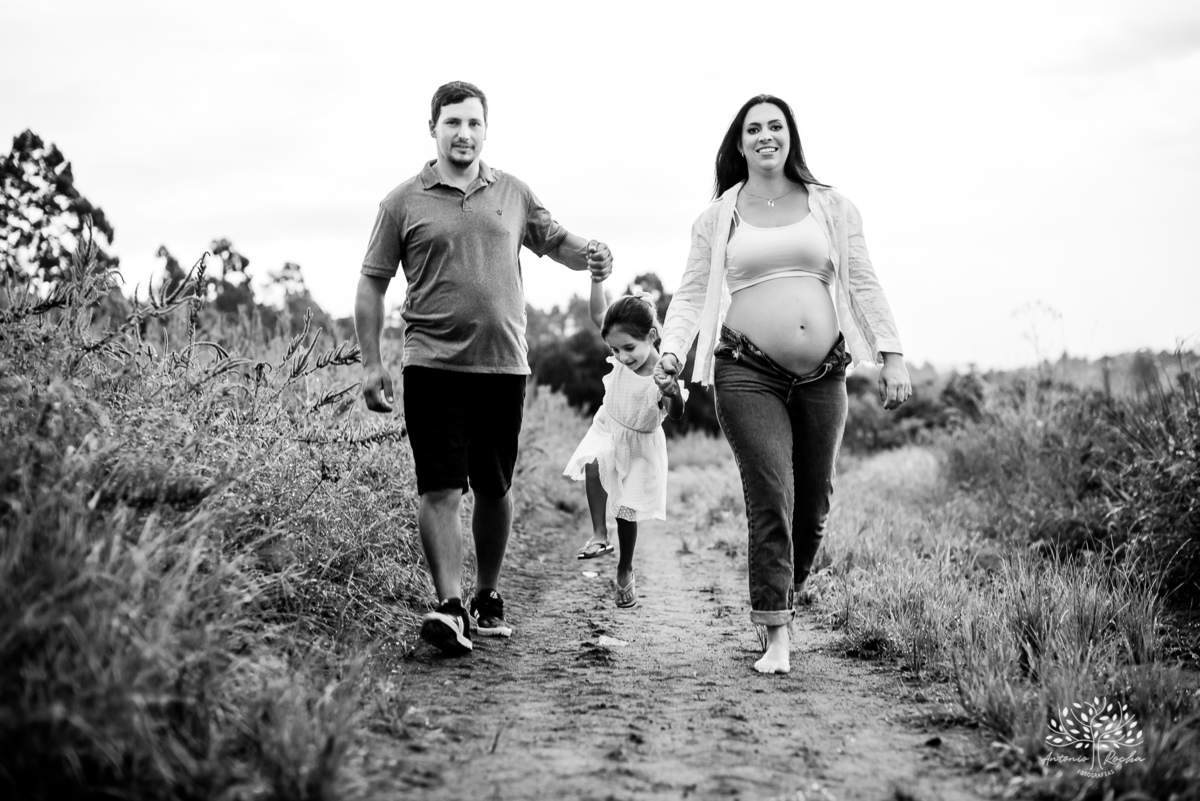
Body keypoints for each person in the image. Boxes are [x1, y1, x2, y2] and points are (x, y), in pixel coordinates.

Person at [654, 94, 910, 674]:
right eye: (754, 128)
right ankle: (776, 634)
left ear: (790, 136)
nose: (766, 135)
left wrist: (892, 355)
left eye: (776, 126)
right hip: (746, 369)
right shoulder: (719, 215)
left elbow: (864, 282)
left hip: (824, 373)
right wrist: (671, 353)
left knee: (813, 502)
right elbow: (693, 293)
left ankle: (779, 594)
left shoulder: (831, 207)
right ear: (739, 144)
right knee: (772, 495)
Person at [355, 81, 613, 657]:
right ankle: (449, 607)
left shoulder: (513, 193)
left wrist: (592, 255)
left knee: (494, 488)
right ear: (433, 129)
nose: (463, 133)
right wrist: (372, 365)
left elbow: (558, 242)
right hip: (431, 366)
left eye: (473, 123)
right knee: (440, 486)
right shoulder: (402, 202)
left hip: (503, 368)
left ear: (486, 129)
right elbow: (372, 282)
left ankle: (487, 595)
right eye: (452, 123)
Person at [564, 279, 685, 608]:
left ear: (651, 337)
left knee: (626, 513)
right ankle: (599, 536)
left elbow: (675, 414)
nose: (621, 356)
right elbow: (598, 312)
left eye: (628, 349)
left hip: (641, 446)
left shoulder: (662, 372)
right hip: (610, 427)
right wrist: (595, 279)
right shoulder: (622, 348)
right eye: (615, 350)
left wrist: (673, 394)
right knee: (593, 462)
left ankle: (625, 568)